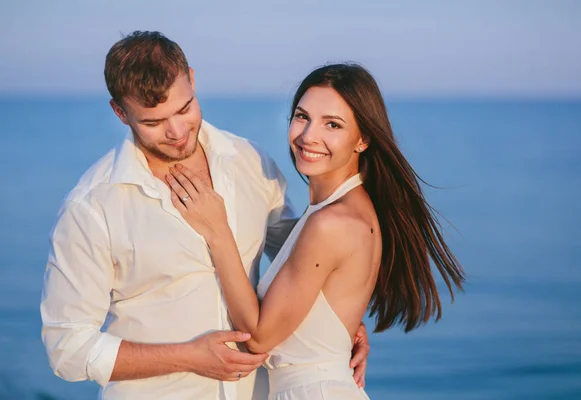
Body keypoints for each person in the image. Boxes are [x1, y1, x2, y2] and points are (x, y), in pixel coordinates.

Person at [40, 32, 370, 400]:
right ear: (120, 112)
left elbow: (302, 255)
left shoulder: (250, 162)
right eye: (154, 122)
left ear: (192, 79)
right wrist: (187, 358)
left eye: (184, 109)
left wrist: (335, 323)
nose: (177, 132)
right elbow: (67, 349)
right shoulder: (93, 206)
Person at [165, 63, 466, 399]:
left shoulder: (331, 222)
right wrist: (343, 330)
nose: (309, 136)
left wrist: (217, 230)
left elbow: (261, 336)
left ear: (363, 138)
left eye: (332, 125)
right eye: (302, 116)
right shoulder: (342, 208)